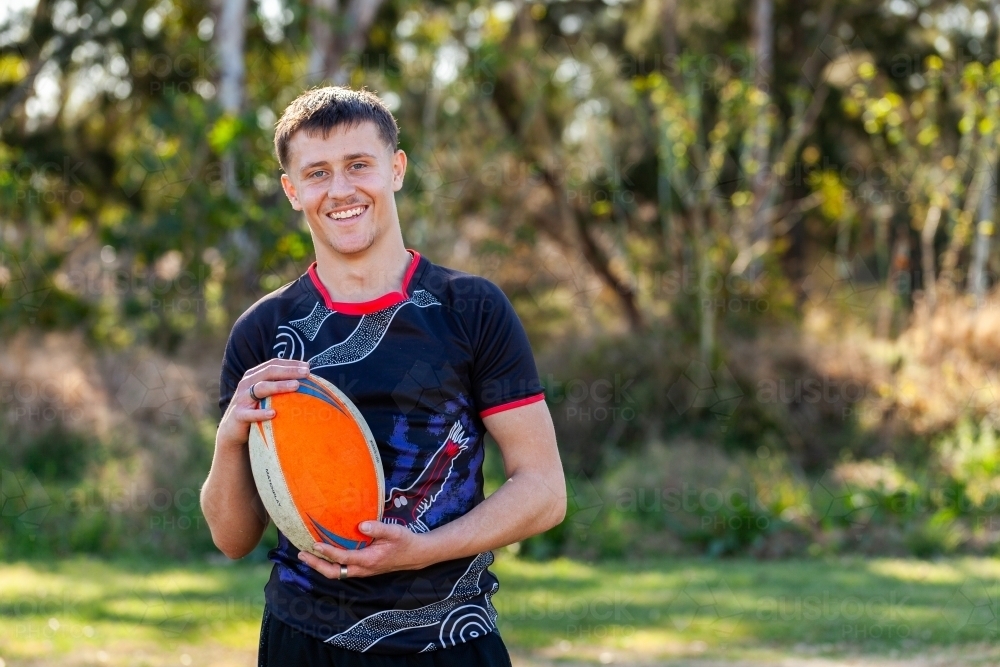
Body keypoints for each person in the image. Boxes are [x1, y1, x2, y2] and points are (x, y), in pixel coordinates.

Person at [200, 86, 567, 666]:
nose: (341, 189)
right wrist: (229, 436)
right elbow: (232, 538)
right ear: (292, 191)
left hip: (449, 639)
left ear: (396, 169)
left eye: (359, 165)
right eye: (317, 173)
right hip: (304, 641)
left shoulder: (470, 308)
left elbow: (544, 491)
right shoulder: (263, 331)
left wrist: (423, 550)